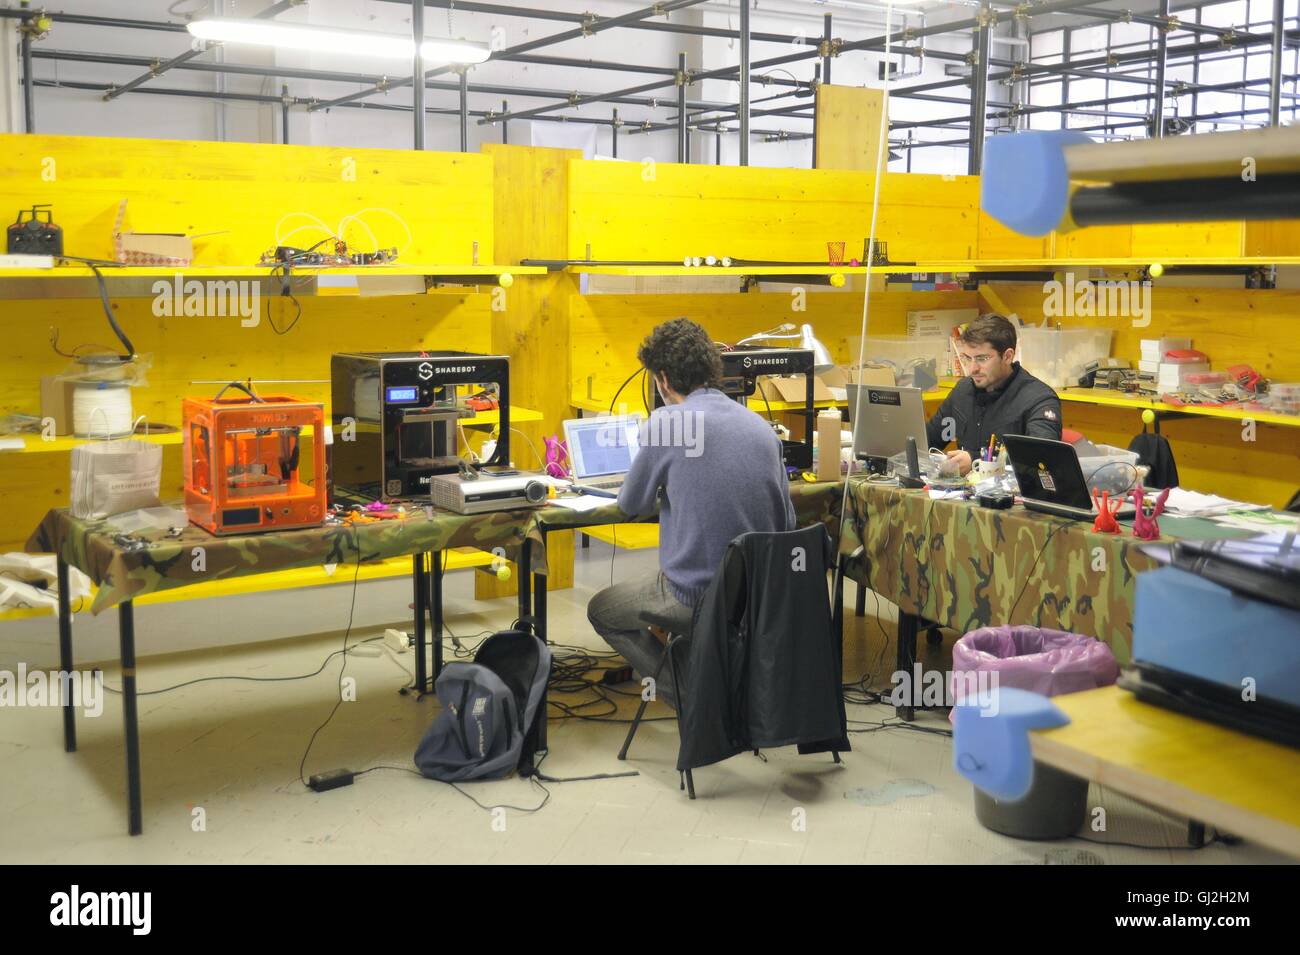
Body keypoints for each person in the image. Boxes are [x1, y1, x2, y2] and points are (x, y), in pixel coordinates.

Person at [587, 318, 795, 709]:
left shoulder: (667, 423)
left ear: (662, 379)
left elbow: (630, 505)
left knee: (603, 610)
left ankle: (688, 693)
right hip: (758, 595)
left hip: (696, 595)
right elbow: (787, 524)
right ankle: (713, 679)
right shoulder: (762, 428)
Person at [925, 314, 1062, 475]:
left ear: (1008, 356)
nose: (972, 369)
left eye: (982, 359)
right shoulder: (963, 391)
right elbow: (928, 440)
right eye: (967, 358)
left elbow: (1042, 456)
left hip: (1011, 496)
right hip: (960, 495)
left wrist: (976, 461)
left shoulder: (1039, 399)